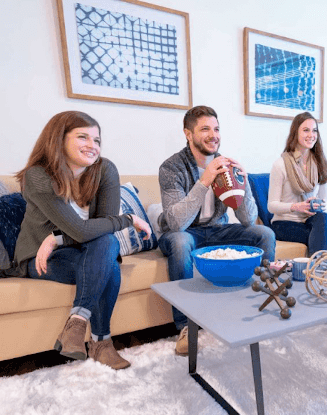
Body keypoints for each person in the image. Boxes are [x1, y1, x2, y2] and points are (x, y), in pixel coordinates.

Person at [13, 111, 152, 370]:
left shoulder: (105, 170)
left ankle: (77, 324)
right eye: (83, 137)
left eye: (97, 140)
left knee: (108, 244)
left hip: (84, 250)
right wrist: (128, 219)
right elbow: (80, 230)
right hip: (40, 259)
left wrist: (55, 237)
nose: (93, 145)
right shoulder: (38, 176)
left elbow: (99, 230)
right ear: (59, 139)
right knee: (108, 262)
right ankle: (101, 343)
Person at [158, 105, 276, 355]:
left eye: (217, 129)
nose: (214, 135)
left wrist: (243, 184)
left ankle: (260, 305)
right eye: (205, 129)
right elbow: (177, 223)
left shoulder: (226, 165)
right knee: (179, 241)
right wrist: (204, 181)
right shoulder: (171, 168)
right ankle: (185, 326)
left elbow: (249, 219)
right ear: (188, 134)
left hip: (217, 230)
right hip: (184, 233)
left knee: (264, 234)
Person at [268, 112, 327, 329]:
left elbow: (325, 203)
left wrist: (316, 205)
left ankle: (322, 290)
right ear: (296, 133)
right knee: (321, 240)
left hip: (309, 220)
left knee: (322, 218)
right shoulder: (281, 165)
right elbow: (271, 205)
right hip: (284, 223)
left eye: (314, 130)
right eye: (306, 130)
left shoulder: (320, 164)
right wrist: (296, 206)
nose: (311, 135)